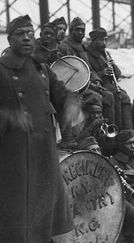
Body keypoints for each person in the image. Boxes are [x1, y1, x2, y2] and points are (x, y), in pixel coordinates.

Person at [0, 15, 82, 242]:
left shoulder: (42, 69)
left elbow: (62, 96)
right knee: (18, 223)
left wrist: (72, 106)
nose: (27, 38)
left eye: (29, 32)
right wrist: (11, 117)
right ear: (10, 39)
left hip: (43, 155)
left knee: (47, 220)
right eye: (20, 34)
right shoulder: (1, 71)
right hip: (14, 160)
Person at [86, 27, 133, 130]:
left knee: (125, 97)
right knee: (115, 96)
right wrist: (103, 73)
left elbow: (118, 74)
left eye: (105, 40)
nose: (104, 43)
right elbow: (88, 75)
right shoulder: (87, 55)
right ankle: (115, 128)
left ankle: (127, 130)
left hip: (110, 85)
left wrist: (113, 66)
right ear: (94, 41)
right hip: (98, 87)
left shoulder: (106, 53)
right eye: (101, 40)